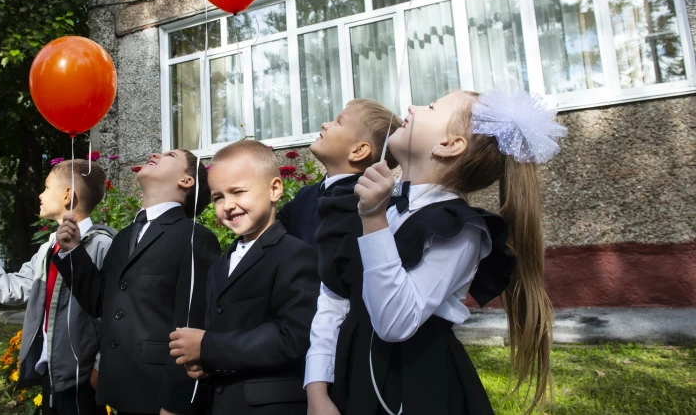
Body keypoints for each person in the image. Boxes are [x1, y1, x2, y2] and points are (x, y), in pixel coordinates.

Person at [308, 90, 565, 415]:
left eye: (430, 107)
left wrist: (373, 219)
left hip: (414, 387)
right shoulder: (379, 205)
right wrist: (317, 390)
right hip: (352, 376)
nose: (411, 108)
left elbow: (394, 323)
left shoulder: (461, 229)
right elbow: (333, 297)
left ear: (449, 144)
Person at [53, 149, 221, 415]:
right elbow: (100, 303)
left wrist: (176, 403)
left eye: (170, 155)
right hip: (123, 390)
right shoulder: (123, 238)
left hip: (161, 396)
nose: (156, 153)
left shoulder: (195, 238)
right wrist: (73, 251)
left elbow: (192, 324)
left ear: (186, 181)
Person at [168, 140, 319, 415]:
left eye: (238, 192)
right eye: (218, 197)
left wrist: (208, 346)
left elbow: (294, 337)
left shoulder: (295, 254)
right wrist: (204, 362)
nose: (228, 205)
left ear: (275, 189)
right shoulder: (219, 265)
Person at [0, 159, 114, 415]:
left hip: (83, 377)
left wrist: (100, 367)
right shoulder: (48, 248)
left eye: (47, 187)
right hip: (53, 370)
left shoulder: (102, 246)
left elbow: (112, 313)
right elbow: (14, 288)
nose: (40, 194)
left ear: (67, 195)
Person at [278, 100, 402, 247]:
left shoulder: (365, 204)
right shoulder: (305, 195)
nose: (324, 124)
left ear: (358, 151)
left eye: (338, 122)